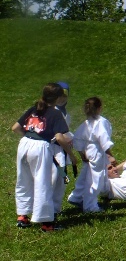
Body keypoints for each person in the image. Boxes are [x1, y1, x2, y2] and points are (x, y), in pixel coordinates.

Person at [12, 83, 76, 232]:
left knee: (24, 180)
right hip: (40, 148)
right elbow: (60, 138)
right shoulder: (55, 114)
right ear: (59, 98)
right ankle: (46, 223)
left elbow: (15, 127)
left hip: (24, 144)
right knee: (43, 183)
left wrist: (31, 137)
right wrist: (72, 156)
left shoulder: (34, 109)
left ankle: (22, 216)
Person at [68, 96, 115, 213]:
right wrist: (110, 154)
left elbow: (77, 139)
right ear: (99, 108)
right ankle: (90, 206)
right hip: (97, 152)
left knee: (85, 174)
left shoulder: (85, 123)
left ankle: (76, 196)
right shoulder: (101, 122)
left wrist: (82, 153)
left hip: (88, 150)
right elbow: (103, 140)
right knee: (95, 178)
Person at [52, 81, 77, 216]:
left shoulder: (64, 112)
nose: (62, 99)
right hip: (54, 152)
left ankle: (55, 208)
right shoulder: (54, 112)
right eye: (59, 96)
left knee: (61, 179)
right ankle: (53, 210)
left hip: (61, 151)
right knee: (56, 180)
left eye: (65, 96)